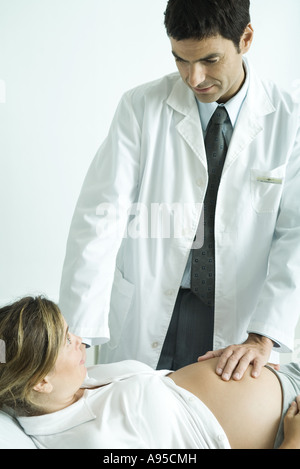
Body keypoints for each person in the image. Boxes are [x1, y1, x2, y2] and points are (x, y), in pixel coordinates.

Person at [59, 0, 300, 380]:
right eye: (181, 60)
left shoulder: (290, 120)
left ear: (246, 38)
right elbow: (100, 218)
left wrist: (262, 335)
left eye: (210, 59)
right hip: (148, 304)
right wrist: (75, 338)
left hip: (237, 319)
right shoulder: (141, 107)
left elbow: (295, 237)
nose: (194, 77)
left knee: (209, 431)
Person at [0, 296, 300, 450]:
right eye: (67, 341)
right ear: (41, 382)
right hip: (288, 424)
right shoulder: (89, 442)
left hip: (282, 375)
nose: (79, 339)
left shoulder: (74, 384)